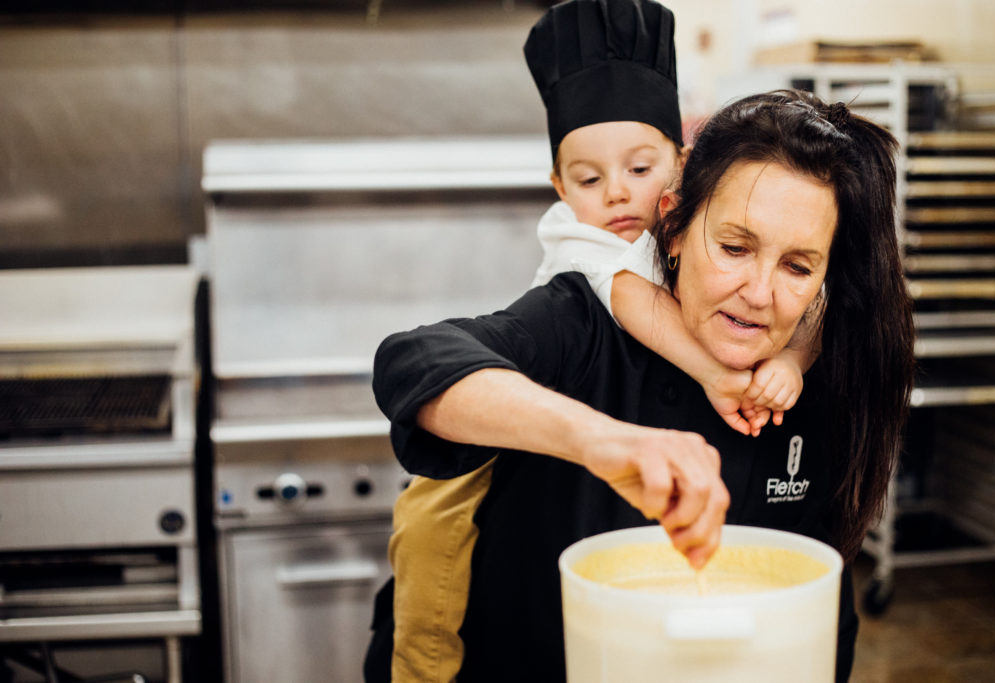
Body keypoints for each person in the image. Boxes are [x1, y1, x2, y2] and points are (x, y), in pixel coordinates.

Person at [366, 83, 915, 682]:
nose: (760, 295)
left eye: (797, 266)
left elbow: (817, 603)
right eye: (734, 247)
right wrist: (602, 440)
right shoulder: (583, 323)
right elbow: (417, 361)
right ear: (675, 229)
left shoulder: (824, 377)